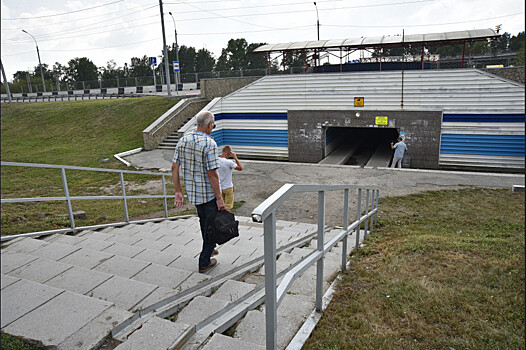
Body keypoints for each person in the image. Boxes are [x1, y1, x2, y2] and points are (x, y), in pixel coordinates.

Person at [172, 110, 225, 273]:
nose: (213, 127)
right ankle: (204, 261)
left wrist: (178, 191)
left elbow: (174, 167)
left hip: (193, 193)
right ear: (209, 125)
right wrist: (219, 198)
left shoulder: (183, 140)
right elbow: (212, 174)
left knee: (204, 221)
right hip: (208, 195)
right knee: (210, 226)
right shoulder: (210, 144)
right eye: (213, 125)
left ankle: (211, 248)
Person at [217, 145, 243, 211]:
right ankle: (227, 220)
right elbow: (240, 168)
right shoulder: (229, 162)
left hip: (219, 187)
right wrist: (235, 157)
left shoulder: (216, 160)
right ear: (229, 153)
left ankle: (220, 219)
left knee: (220, 206)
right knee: (228, 207)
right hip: (228, 187)